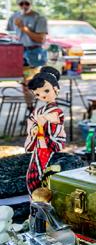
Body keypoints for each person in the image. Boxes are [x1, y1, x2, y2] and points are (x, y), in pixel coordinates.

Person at [24, 66, 65, 194]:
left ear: (56, 89)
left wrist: (41, 122)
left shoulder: (57, 111)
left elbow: (54, 120)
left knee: (40, 176)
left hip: (48, 145)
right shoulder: (40, 111)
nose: (42, 95)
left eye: (46, 91)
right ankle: (36, 202)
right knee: (32, 176)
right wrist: (36, 127)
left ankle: (42, 202)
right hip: (40, 144)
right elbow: (32, 121)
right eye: (37, 94)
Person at [6, 0, 49, 111]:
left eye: (27, 3)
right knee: (25, 85)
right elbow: (9, 35)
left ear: (31, 3)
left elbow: (41, 39)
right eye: (21, 3)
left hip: (35, 53)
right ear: (18, 4)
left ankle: (40, 111)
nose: (24, 6)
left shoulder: (39, 18)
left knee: (34, 83)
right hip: (19, 53)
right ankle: (31, 111)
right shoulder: (14, 17)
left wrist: (23, 28)